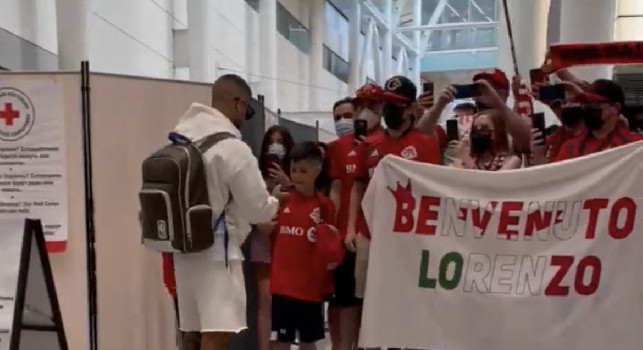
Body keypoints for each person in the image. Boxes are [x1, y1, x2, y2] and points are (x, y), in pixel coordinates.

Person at [172, 74, 288, 350]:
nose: (245, 116)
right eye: (247, 110)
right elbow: (258, 209)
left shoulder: (181, 137)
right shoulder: (232, 148)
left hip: (183, 252)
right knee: (217, 333)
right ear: (238, 103)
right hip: (218, 253)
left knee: (191, 332)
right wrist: (275, 202)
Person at [349, 76, 441, 323]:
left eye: (397, 105)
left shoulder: (425, 144)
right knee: (369, 305)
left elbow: (434, 191)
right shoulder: (368, 145)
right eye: (386, 104)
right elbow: (357, 187)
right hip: (369, 233)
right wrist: (350, 230)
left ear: (411, 108)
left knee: (408, 303)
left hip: (408, 237)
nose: (390, 110)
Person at [326, 84, 386, 350]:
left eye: (349, 114)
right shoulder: (337, 148)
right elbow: (337, 190)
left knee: (370, 301)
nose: (346, 120)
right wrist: (335, 232)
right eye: (338, 117)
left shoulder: (386, 142)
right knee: (344, 300)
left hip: (377, 233)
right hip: (347, 236)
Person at [270, 142, 343, 350]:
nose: (297, 176)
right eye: (293, 170)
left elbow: (331, 248)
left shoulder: (324, 206)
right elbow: (266, 228)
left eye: (303, 171)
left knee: (308, 341)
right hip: (282, 287)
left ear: (317, 169)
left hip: (310, 289)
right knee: (280, 340)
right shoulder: (282, 201)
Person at [416, 68, 533, 154]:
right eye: (478, 89)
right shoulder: (461, 123)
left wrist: (498, 103)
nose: (484, 94)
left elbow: (527, 140)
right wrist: (439, 105)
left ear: (505, 93)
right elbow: (421, 135)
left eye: (492, 88)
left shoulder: (512, 123)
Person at [251, 125, 295, 350]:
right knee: (265, 299)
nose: (275, 146)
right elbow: (247, 206)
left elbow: (309, 202)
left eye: (280, 141)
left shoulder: (296, 173)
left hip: (289, 241)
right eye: (271, 141)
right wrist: (259, 222)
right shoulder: (255, 174)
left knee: (285, 300)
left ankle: (283, 346)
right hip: (263, 239)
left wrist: (289, 183)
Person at [553, 79, 643, 162]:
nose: (589, 107)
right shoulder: (570, 148)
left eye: (596, 103)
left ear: (615, 107)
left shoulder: (636, 146)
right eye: (586, 103)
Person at [449, 111, 522, 170]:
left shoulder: (512, 161)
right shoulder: (466, 161)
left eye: (484, 128)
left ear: (497, 132)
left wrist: (469, 162)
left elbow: (492, 184)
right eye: (475, 129)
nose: (478, 132)